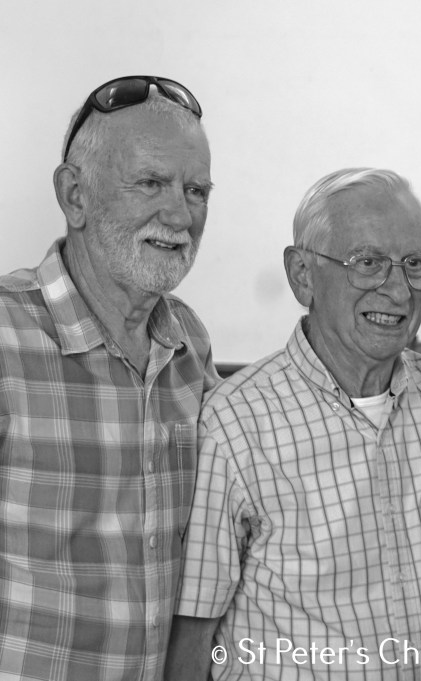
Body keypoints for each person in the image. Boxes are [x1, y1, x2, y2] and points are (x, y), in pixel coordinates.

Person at [166, 168, 421, 681]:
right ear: (302, 275)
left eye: (414, 264)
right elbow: (193, 633)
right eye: (368, 263)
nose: (399, 291)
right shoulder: (235, 423)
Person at [0, 75, 218, 681]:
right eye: (150, 183)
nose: (180, 214)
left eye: (196, 190)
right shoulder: (5, 335)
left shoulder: (189, 341)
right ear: (75, 196)